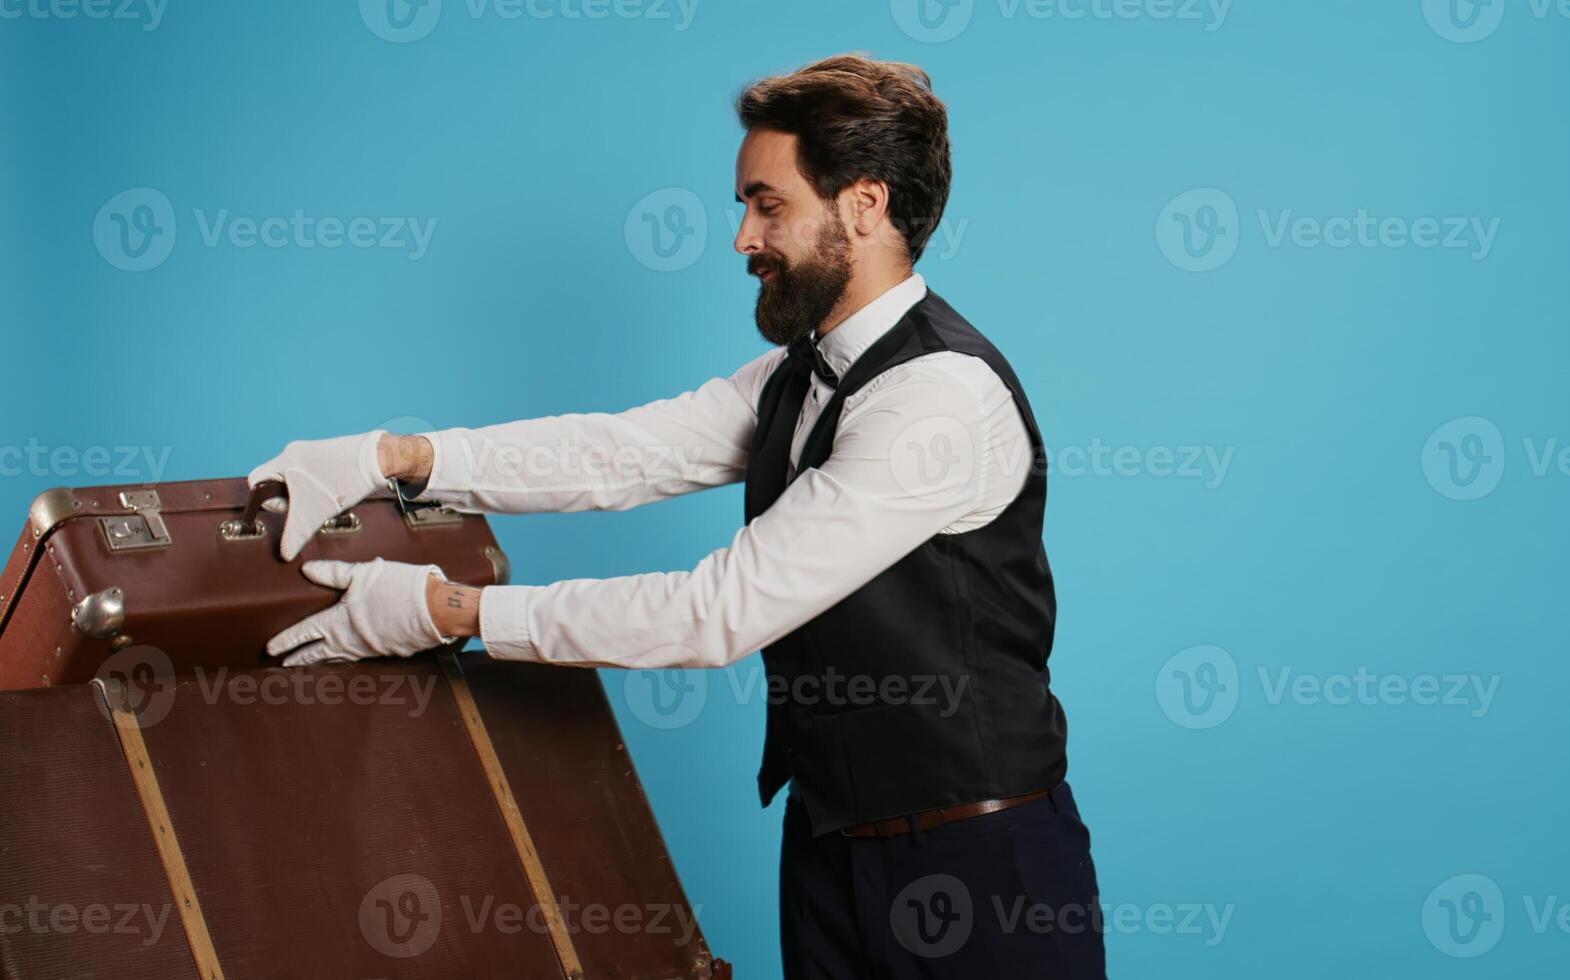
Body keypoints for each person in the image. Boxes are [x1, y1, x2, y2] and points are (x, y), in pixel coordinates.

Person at [250, 53, 1106, 979]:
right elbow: (624, 452)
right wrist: (395, 458)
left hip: (977, 866)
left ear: (863, 205)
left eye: (767, 204)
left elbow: (717, 610)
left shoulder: (937, 397)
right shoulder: (802, 372)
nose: (743, 238)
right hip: (828, 848)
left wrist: (450, 612)